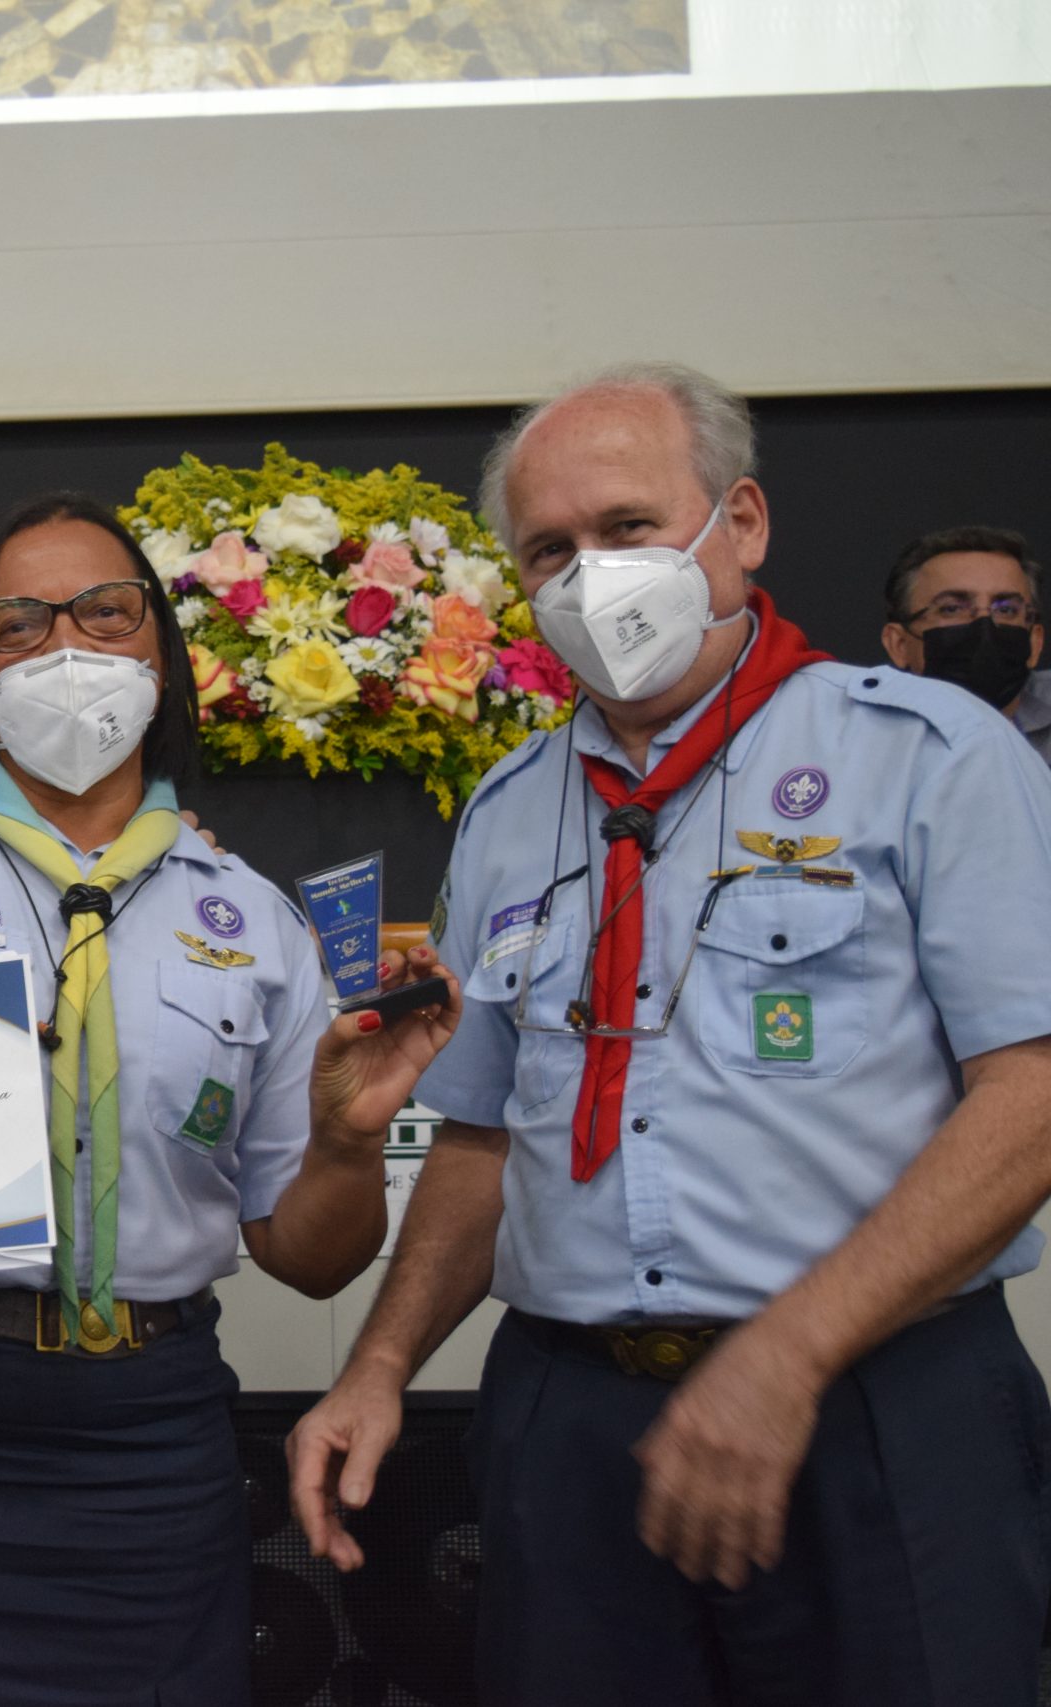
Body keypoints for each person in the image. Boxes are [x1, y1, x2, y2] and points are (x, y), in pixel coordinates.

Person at [287, 362, 1051, 1707]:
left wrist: (789, 1352)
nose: (592, 575)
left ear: (738, 524)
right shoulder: (510, 808)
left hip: (877, 1404)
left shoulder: (927, 752)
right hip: (574, 1422)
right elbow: (483, 1135)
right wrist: (380, 1364)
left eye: (628, 526)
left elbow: (1030, 1091)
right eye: (550, 550)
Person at [0, 492, 460, 1704]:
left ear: (160, 653)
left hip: (143, 1454)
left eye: (106, 614)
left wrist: (343, 1142)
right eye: (18, 624)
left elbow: (313, 1262)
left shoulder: (257, 920)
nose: (65, 648)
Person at [877, 524, 1051, 761]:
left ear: (1035, 642)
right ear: (899, 644)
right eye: (952, 609)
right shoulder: (862, 749)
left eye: (1006, 609)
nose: (984, 626)